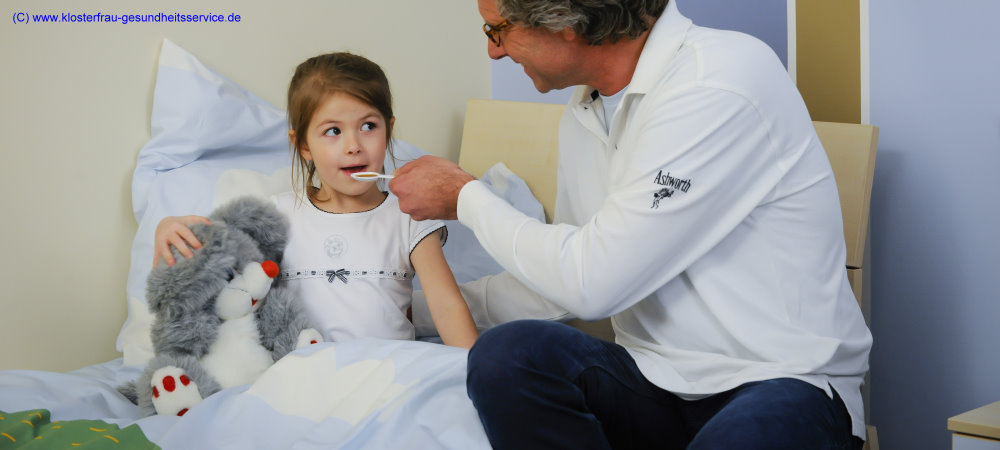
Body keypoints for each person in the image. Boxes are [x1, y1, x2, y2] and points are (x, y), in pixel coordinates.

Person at [388, 0, 872, 448]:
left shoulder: (719, 80)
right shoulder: (587, 111)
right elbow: (562, 278)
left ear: (565, 23)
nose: (493, 51)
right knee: (506, 355)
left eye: (499, 29)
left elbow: (593, 284)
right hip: (653, 380)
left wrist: (466, 197)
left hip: (779, 382)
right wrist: (411, 310)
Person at [153, 52, 478, 349]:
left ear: (388, 131)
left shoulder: (410, 216)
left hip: (386, 376)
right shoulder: (276, 217)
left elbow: (447, 307)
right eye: (333, 131)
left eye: (368, 126)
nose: (353, 145)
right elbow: (213, 278)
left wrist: (474, 374)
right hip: (303, 378)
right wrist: (169, 230)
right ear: (303, 146)